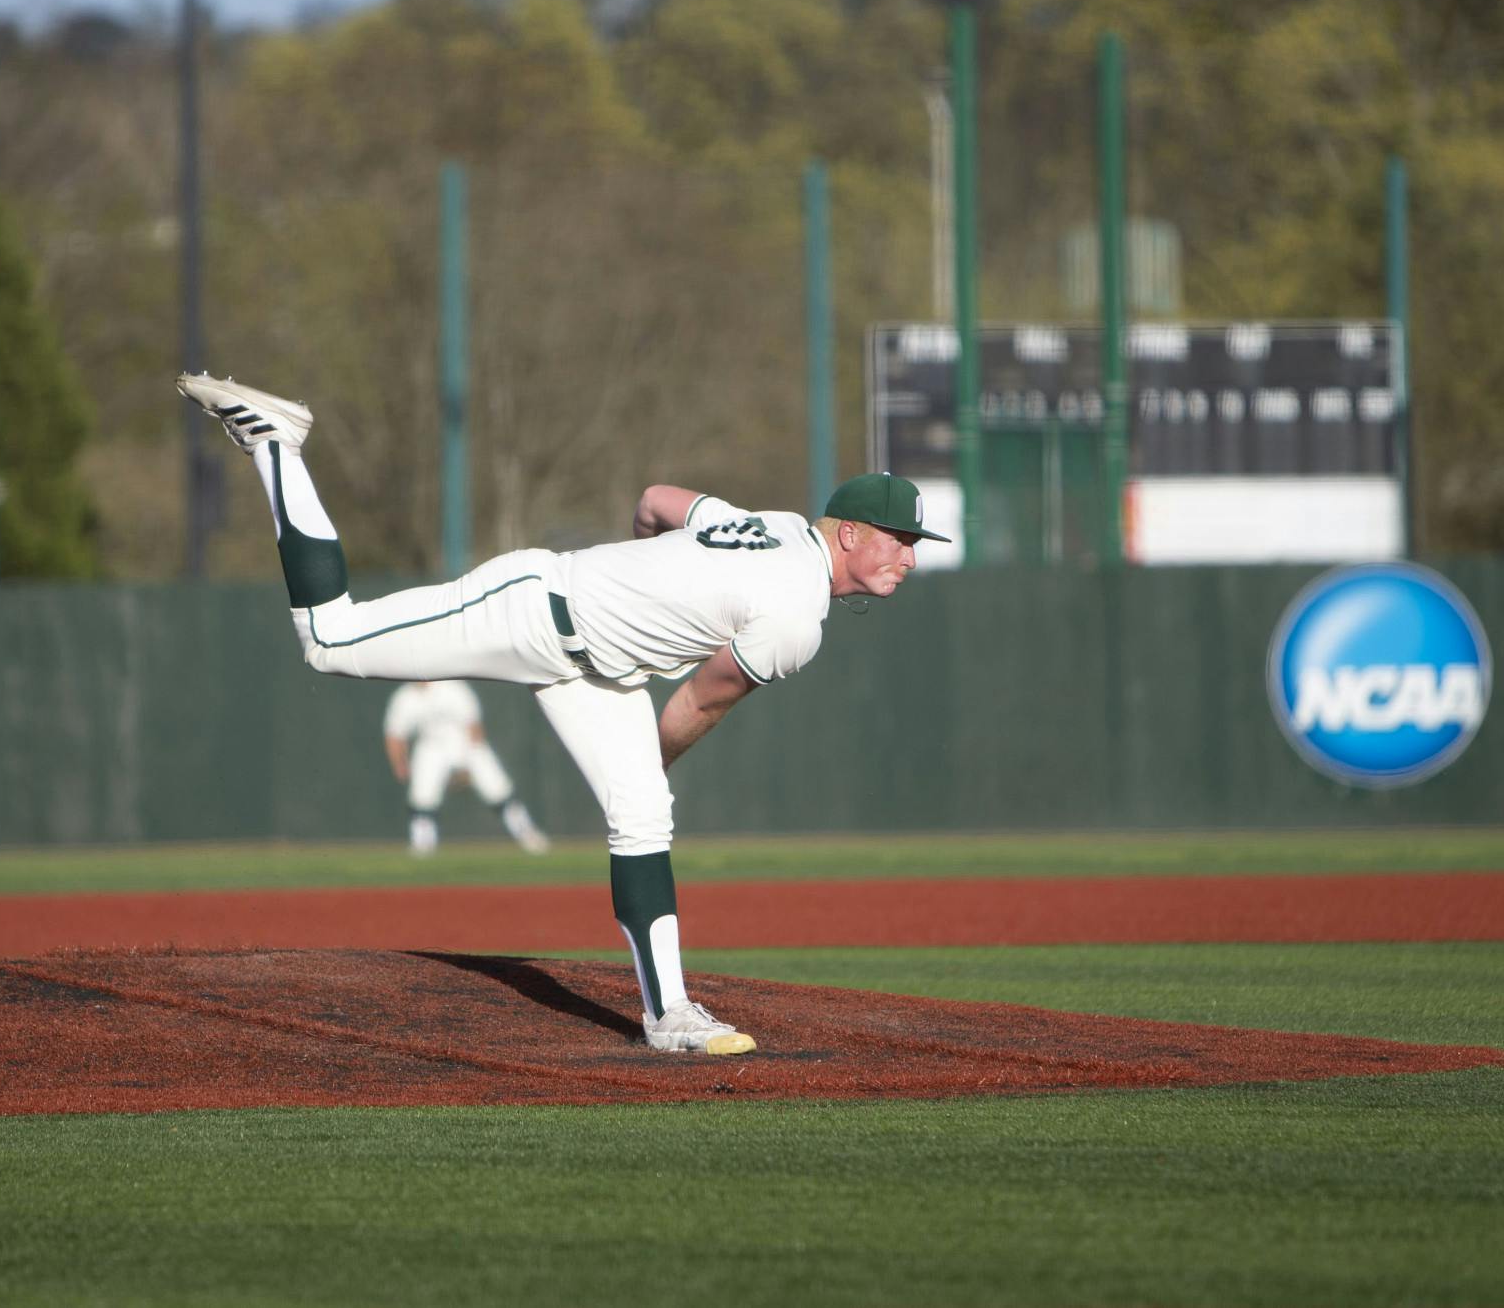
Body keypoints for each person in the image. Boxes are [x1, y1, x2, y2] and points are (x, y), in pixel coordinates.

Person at [177, 372, 948, 1056]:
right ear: (850, 533)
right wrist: (645, 719)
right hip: (534, 609)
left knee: (643, 815)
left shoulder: (777, 521)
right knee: (331, 639)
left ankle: (670, 1012)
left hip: (598, 667)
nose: (908, 556)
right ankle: (277, 443)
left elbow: (656, 501)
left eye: (913, 543)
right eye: (899, 540)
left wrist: (643, 561)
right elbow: (698, 699)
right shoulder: (796, 618)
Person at [383, 679, 550, 856]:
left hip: (466, 742)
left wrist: (465, 766)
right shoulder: (405, 697)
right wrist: (400, 764)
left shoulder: (452, 687)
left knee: (498, 790)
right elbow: (394, 735)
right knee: (422, 797)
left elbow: (474, 727)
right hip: (430, 746)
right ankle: (422, 846)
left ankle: (529, 836)